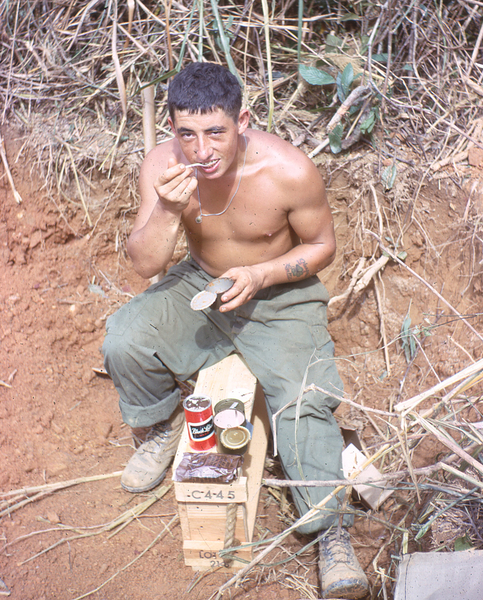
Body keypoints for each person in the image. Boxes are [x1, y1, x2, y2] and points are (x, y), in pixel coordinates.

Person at [103, 62, 369, 599]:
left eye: (215, 132)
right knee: (125, 337)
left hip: (278, 294)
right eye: (186, 133)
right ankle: (163, 427)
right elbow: (143, 262)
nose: (201, 149)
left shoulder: (288, 170)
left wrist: (260, 273)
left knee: (301, 398)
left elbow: (322, 248)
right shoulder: (162, 165)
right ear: (172, 130)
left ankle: (330, 531)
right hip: (203, 283)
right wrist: (168, 213)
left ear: (242, 120)